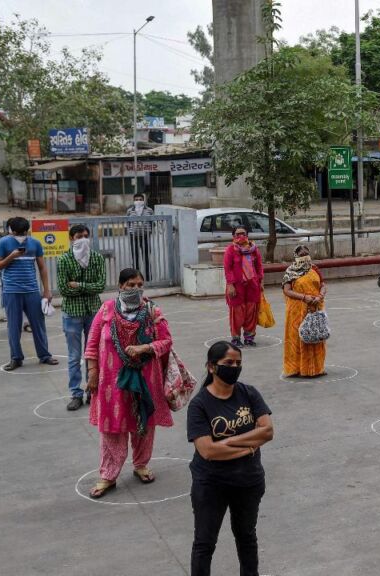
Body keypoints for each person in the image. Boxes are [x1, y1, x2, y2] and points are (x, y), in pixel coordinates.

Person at [84, 268, 175, 498]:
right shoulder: (106, 310)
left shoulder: (152, 311)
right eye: (130, 285)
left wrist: (146, 348)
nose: (135, 289)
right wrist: (92, 373)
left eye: (139, 285)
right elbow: (92, 342)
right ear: (120, 286)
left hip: (146, 379)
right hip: (111, 383)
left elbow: (166, 341)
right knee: (112, 427)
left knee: (144, 422)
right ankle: (108, 474)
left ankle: (141, 464)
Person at [188, 341, 274, 576]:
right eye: (228, 363)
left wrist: (225, 444)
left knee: (246, 536)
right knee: (205, 542)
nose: (234, 367)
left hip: (248, 481)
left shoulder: (249, 393)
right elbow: (207, 451)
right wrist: (248, 446)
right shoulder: (199, 405)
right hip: (211, 484)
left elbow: (267, 431)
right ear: (211, 367)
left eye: (238, 363)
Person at [0, 216, 57, 371]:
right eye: (17, 233)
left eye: (23, 232)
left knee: (38, 325)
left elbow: (42, 267)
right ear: (11, 231)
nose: (21, 235)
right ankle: (16, 358)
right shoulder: (4, 243)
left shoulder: (35, 243)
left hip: (32, 290)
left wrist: (46, 290)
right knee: (14, 327)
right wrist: (12, 256)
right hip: (11, 291)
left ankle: (44, 355)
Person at [56, 224, 106, 410]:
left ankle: (92, 392)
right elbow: (64, 289)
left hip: (93, 311)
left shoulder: (97, 259)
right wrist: (86, 287)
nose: (83, 239)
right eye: (79, 236)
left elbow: (100, 286)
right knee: (74, 356)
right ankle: (76, 393)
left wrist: (78, 285)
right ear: (71, 238)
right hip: (72, 313)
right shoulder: (64, 260)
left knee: (93, 354)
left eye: (86, 236)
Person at [281, 244, 327, 378]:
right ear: (295, 257)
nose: (304, 258)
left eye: (306, 255)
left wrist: (320, 295)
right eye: (301, 256)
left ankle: (317, 368)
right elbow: (287, 290)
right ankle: (297, 368)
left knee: (316, 335)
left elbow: (323, 285)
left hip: (315, 307)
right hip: (297, 311)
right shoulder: (290, 271)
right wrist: (304, 297)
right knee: (299, 337)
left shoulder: (314, 269)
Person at [223, 226, 264, 348]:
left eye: (243, 233)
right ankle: (235, 338)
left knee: (251, 311)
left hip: (252, 285)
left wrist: (261, 281)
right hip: (236, 286)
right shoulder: (231, 250)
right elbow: (227, 268)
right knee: (237, 313)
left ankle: (249, 337)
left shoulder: (254, 250)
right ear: (233, 236)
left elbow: (259, 266)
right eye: (237, 234)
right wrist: (230, 285)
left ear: (247, 235)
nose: (240, 236)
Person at [126, 193, 154, 280]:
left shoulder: (149, 210)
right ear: (134, 201)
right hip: (134, 237)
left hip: (145, 237)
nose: (138, 201)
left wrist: (149, 232)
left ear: (144, 200)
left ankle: (149, 278)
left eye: (140, 199)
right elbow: (128, 223)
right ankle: (136, 278)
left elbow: (152, 222)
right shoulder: (130, 210)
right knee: (135, 259)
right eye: (136, 199)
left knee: (146, 258)